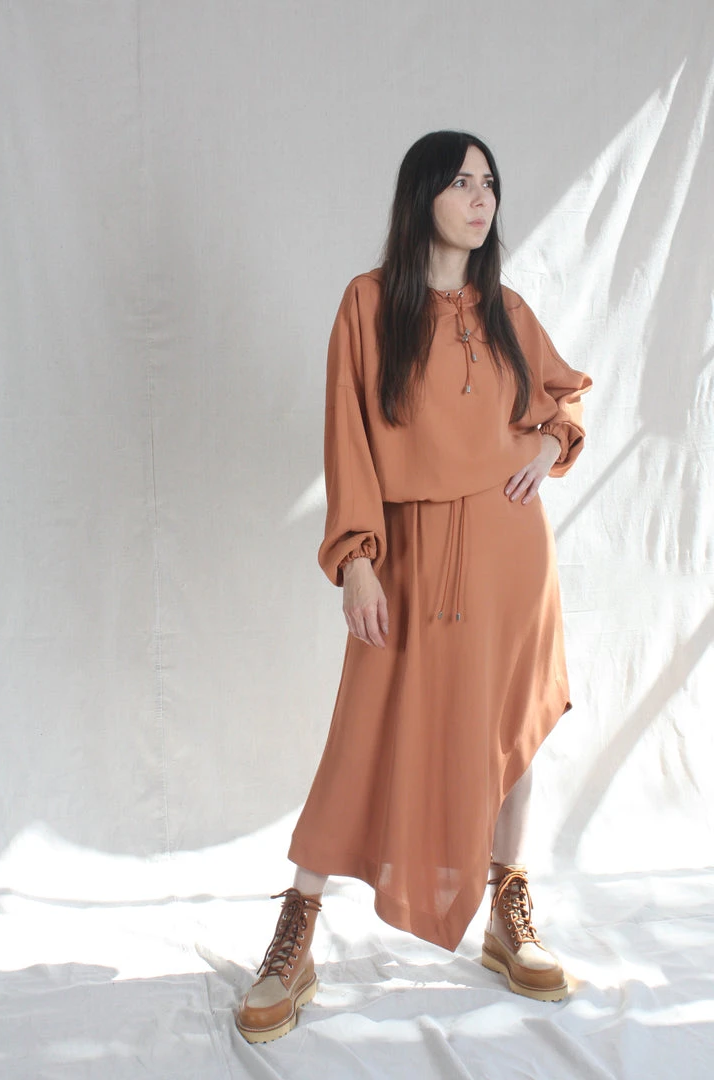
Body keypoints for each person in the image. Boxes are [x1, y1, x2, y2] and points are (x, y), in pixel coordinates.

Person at [235, 130, 593, 1044]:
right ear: (422, 194)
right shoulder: (369, 305)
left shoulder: (507, 311)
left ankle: (508, 911)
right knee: (366, 727)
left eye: (490, 183)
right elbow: (349, 434)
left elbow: (564, 397)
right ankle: (296, 934)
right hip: (408, 553)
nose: (481, 198)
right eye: (461, 181)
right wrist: (358, 558)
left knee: (510, 725)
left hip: (511, 557)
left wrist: (548, 442)